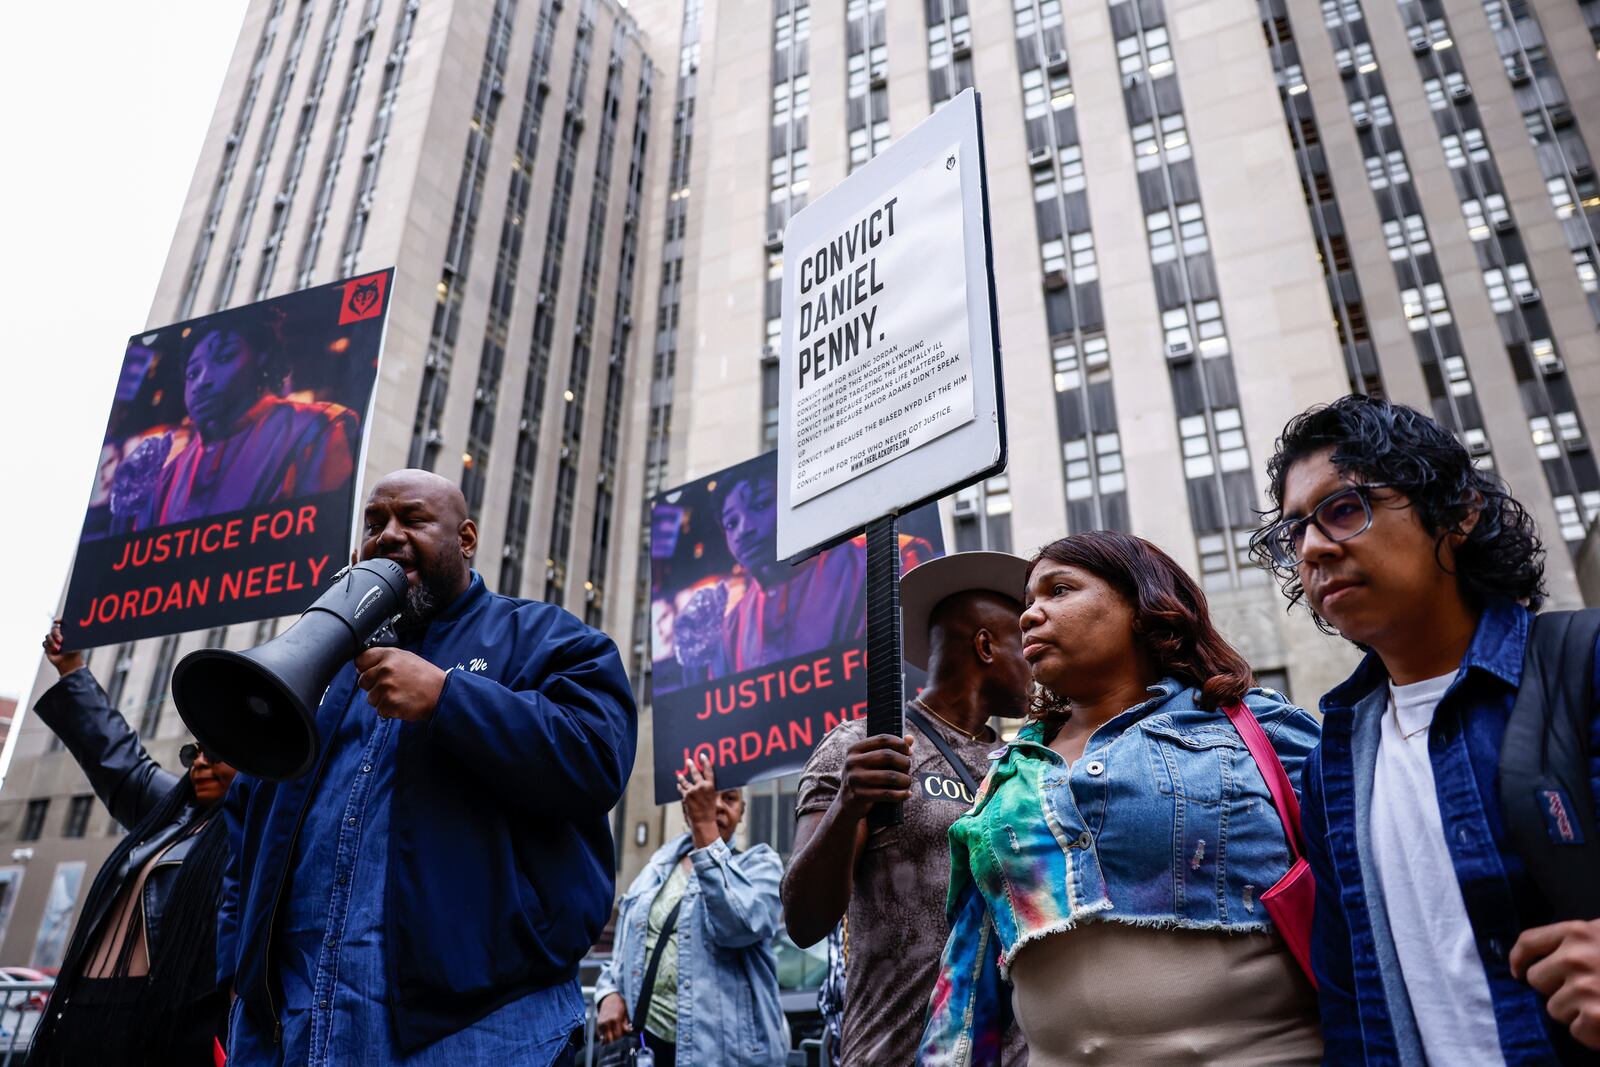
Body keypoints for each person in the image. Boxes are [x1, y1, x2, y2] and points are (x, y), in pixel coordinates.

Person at [219, 469, 637, 1065]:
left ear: (465, 539)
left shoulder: (547, 639)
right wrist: (238, 972)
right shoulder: (321, 666)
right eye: (374, 523)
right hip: (294, 1022)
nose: (388, 535)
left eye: (412, 519)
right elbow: (245, 831)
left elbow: (596, 757)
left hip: (481, 1028)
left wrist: (450, 698)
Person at [1253, 394, 1600, 1063]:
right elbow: (1352, 999)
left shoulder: (1582, 667)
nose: (1315, 549)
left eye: (1344, 509)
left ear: (1457, 511)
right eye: (1295, 533)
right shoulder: (1335, 762)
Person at [919, 532, 1324, 1066]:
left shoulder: (1260, 728)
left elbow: (1373, 898)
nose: (1029, 617)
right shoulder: (1006, 778)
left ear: (1143, 603)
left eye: (1058, 591)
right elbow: (966, 978)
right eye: (1028, 603)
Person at [786, 551, 1033, 1066]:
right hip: (893, 1051)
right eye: (1024, 645)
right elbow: (802, 919)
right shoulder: (864, 745)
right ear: (986, 646)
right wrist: (848, 806)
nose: (1036, 660)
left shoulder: (1019, 763)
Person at [26, 623, 238, 1066]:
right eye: (193, 753)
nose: (200, 762)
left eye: (217, 755)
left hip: (158, 1021)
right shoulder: (172, 813)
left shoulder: (255, 836)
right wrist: (72, 670)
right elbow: (121, 762)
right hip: (81, 1004)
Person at [594, 754, 785, 1067]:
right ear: (685, 803)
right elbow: (626, 947)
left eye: (730, 798)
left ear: (742, 812)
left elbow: (737, 926)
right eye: (708, 796)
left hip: (721, 1055)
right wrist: (608, 992)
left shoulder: (761, 866)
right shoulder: (658, 868)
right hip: (649, 1047)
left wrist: (704, 826)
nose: (718, 805)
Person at [670, 473, 934, 685]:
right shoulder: (734, 626)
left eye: (761, 504)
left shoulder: (885, 555)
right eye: (731, 523)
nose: (744, 530)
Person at [111, 311, 357, 532]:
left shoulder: (318, 427)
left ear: (261, 357)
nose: (202, 382)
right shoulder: (166, 477)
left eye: (224, 357)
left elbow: (321, 543)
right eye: (192, 373)